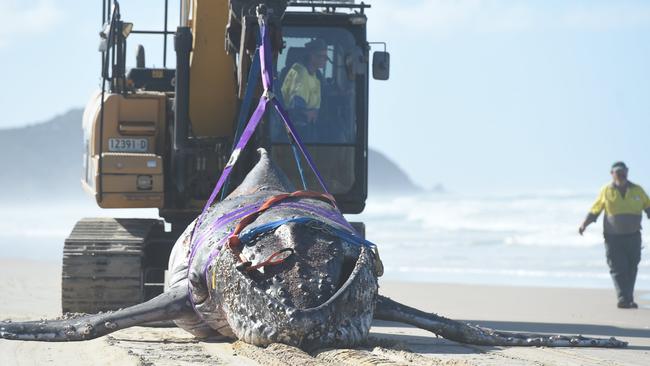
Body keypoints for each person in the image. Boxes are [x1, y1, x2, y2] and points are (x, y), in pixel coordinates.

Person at [579, 161, 650, 309]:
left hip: (633, 236)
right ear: (612, 174)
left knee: (631, 268)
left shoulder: (638, 190)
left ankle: (628, 298)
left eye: (623, 172)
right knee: (618, 268)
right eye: (617, 172)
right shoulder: (606, 190)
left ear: (627, 172)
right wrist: (584, 224)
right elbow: (596, 209)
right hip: (613, 238)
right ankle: (623, 298)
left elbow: (648, 207)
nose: (620, 175)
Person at [281, 38, 328, 127]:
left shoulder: (315, 76)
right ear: (312, 56)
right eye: (322, 56)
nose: (325, 60)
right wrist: (310, 114)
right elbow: (297, 112)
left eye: (326, 57)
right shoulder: (300, 73)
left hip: (310, 124)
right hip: (297, 127)